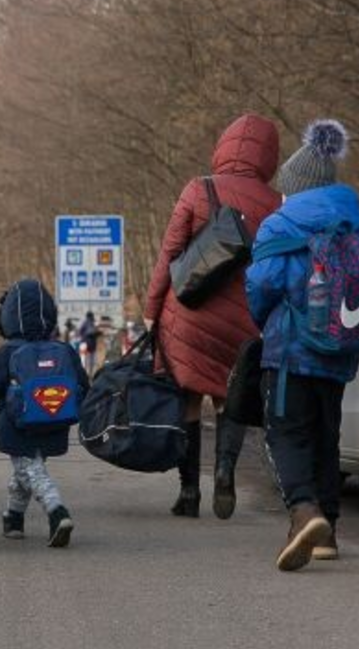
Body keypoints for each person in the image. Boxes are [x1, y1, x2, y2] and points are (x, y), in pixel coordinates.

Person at [144, 114, 281, 520]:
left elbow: (169, 255)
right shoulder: (276, 204)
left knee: (188, 398)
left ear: (223, 147)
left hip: (188, 312)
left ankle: (189, 492)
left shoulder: (198, 189)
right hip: (242, 321)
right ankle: (224, 471)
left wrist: (151, 311)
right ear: (268, 156)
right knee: (228, 398)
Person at [245, 119, 359, 571]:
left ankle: (303, 511)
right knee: (325, 438)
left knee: (285, 434)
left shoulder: (281, 224)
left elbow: (262, 285)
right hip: (337, 350)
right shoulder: (352, 221)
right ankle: (328, 531)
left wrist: (262, 322)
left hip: (290, 351)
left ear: (294, 187)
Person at [0, 279, 89, 548]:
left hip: (17, 425)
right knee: (28, 468)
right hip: (54, 422)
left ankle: (56, 511)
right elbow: (83, 387)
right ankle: (13, 517)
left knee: (30, 468)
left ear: (7, 318)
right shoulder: (64, 351)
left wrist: (7, 406)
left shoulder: (6, 353)